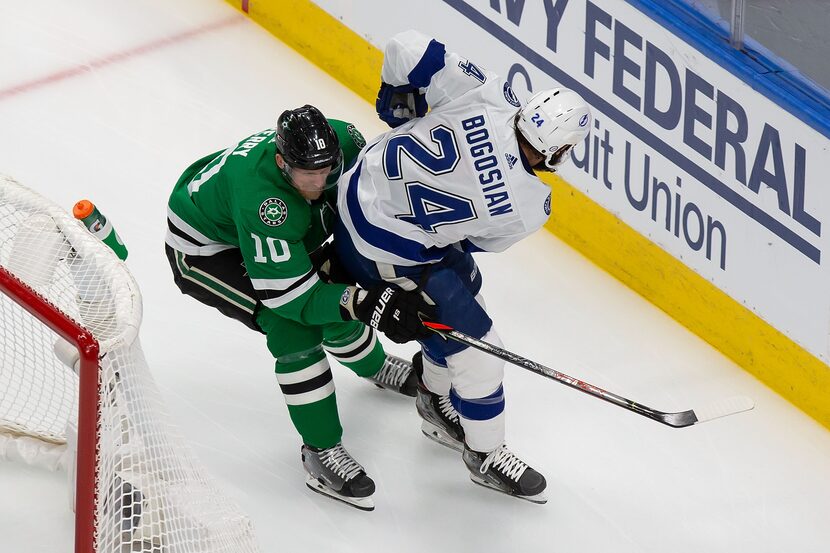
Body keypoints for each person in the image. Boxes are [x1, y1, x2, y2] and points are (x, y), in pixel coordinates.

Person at [335, 30, 592, 504]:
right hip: (379, 249)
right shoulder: (533, 203)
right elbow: (478, 241)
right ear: (560, 150)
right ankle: (486, 453)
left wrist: (396, 101)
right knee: (480, 349)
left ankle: (435, 398)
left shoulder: (488, 94)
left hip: (352, 192)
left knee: (463, 285)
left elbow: (407, 47)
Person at [164, 105, 435, 511]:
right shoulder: (264, 203)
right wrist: (361, 302)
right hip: (207, 250)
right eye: (308, 176)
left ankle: (373, 366)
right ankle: (320, 451)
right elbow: (290, 299)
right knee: (293, 328)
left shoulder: (346, 141)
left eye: (327, 171)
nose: (320, 182)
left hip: (264, 226)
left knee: (330, 291)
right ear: (281, 162)